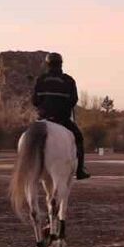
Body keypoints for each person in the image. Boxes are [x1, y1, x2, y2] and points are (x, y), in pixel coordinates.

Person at [32, 52, 90, 180]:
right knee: (79, 138)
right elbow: (73, 100)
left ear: (47, 64)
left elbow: (35, 101)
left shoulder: (40, 79)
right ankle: (80, 170)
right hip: (62, 119)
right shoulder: (68, 80)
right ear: (61, 64)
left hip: (43, 119)